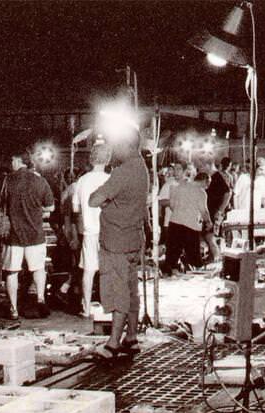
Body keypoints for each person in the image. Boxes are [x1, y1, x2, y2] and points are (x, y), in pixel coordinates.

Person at [87, 132, 150, 357]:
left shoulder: (122, 173)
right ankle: (131, 337)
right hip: (133, 238)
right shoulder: (142, 168)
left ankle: (113, 343)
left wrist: (106, 201)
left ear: (126, 145)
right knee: (132, 291)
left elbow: (93, 200)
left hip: (116, 241)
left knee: (118, 291)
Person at [0, 150, 55, 319]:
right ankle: (41, 299)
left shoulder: (6, 181)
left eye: (12, 159)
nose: (10, 163)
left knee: (12, 272)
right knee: (38, 269)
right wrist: (36, 210)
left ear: (17, 160)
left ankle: (13, 308)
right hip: (35, 233)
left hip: (12, 235)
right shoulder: (39, 181)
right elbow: (50, 208)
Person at [71, 144, 112, 317]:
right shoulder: (110, 179)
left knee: (88, 270)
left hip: (89, 230)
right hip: (109, 230)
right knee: (108, 270)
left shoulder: (82, 180)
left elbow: (75, 209)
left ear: (91, 159)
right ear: (108, 159)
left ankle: (86, 308)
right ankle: (108, 307)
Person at [160, 171, 211, 275]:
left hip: (174, 223)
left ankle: (170, 276)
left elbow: (172, 205)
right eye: (208, 184)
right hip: (190, 226)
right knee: (194, 257)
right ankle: (196, 277)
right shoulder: (201, 192)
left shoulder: (179, 187)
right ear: (204, 181)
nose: (207, 187)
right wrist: (209, 222)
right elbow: (204, 210)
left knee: (171, 256)